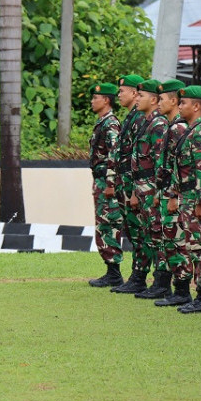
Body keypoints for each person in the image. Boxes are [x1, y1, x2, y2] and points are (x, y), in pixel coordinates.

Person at [172, 85, 201, 313]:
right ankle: (200, 294)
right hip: (189, 195)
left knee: (200, 245)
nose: (180, 106)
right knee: (192, 244)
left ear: (196, 106)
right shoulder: (192, 130)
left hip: (197, 197)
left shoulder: (200, 131)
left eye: (183, 103)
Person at [130, 79, 172, 299]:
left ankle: (162, 282)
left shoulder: (158, 125)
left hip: (152, 188)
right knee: (149, 234)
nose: (136, 99)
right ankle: (157, 281)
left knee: (158, 233)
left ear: (154, 100)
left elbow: (159, 162)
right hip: (142, 187)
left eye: (141, 96)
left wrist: (157, 192)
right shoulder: (145, 122)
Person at [153, 79, 191, 307]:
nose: (158, 104)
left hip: (174, 194)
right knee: (168, 240)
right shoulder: (172, 126)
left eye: (162, 99)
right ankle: (176, 288)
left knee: (177, 241)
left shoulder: (179, 128)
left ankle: (183, 290)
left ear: (174, 101)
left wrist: (174, 195)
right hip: (166, 192)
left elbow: (181, 166)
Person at [111, 74, 150, 294]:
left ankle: (140, 276)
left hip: (133, 184)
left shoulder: (139, 119)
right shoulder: (131, 117)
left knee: (139, 231)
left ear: (134, 93)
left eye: (122, 91)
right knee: (133, 231)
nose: (118, 95)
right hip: (125, 183)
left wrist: (135, 189)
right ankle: (137, 274)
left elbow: (139, 157)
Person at [87, 82, 125, 287]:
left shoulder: (110, 124)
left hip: (106, 183)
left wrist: (110, 183)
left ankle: (114, 272)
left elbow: (114, 154)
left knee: (108, 224)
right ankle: (111, 270)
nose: (93, 101)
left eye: (96, 98)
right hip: (101, 180)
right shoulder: (103, 122)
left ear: (106, 100)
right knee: (103, 224)